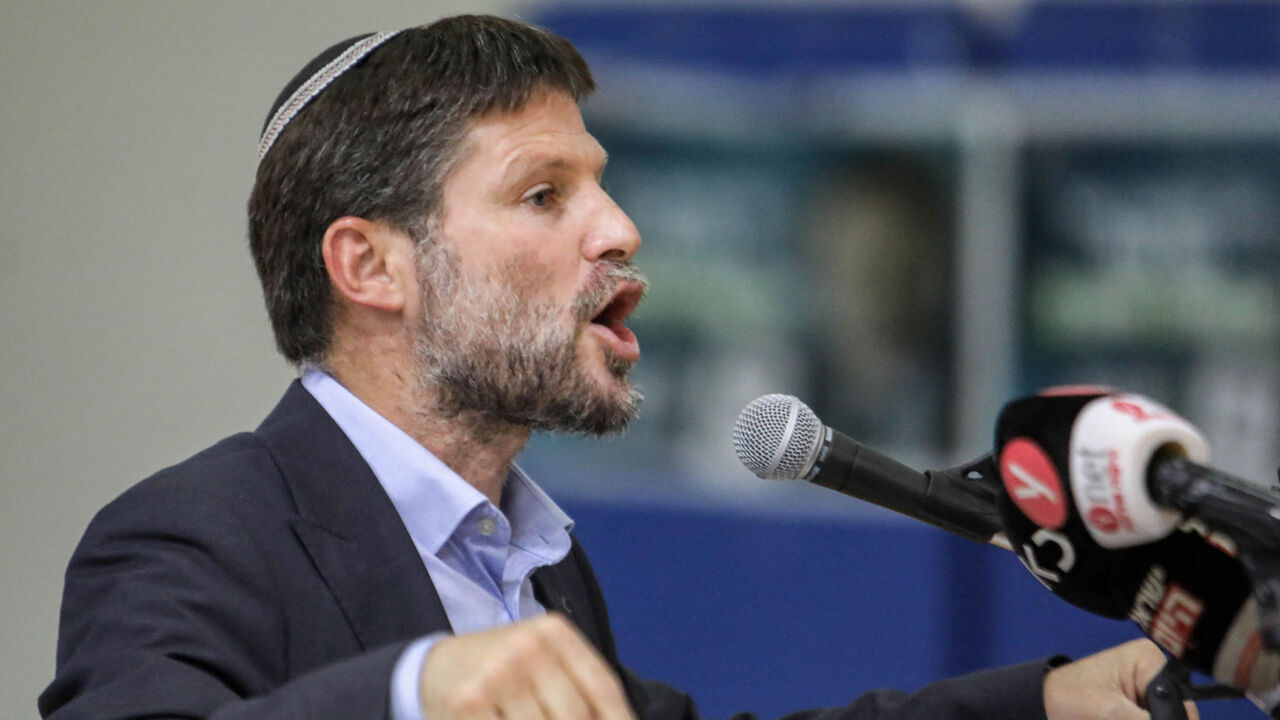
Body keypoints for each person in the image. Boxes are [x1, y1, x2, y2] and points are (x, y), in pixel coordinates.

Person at [39, 14, 1190, 720]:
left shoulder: (533, 562)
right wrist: (409, 698)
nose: (619, 227)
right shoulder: (195, 532)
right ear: (370, 265)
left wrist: (1034, 704)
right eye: (544, 195)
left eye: (601, 181)